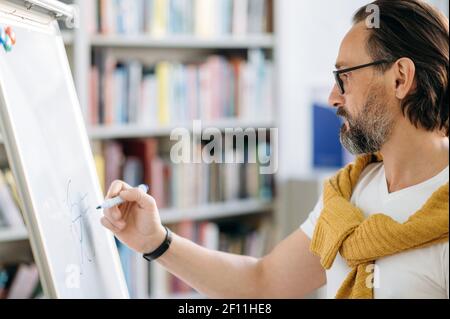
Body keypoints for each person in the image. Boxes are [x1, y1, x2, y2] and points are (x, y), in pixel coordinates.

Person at [101, 0, 449, 299]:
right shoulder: (349, 194)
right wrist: (156, 241)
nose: (332, 97)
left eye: (345, 77)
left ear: (401, 78)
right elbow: (262, 282)